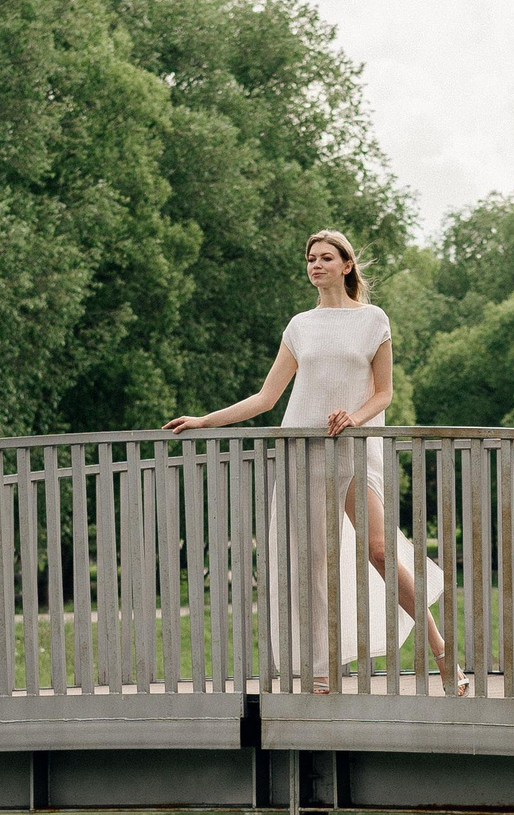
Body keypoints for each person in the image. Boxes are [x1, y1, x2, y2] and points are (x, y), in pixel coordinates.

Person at [165, 230, 464, 695]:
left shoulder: (373, 319)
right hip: (303, 451)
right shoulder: (300, 325)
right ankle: (321, 672)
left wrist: (356, 417)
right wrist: (206, 421)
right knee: (311, 562)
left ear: (347, 265)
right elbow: (267, 398)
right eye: (310, 258)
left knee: (379, 549)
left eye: (326, 257)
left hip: (356, 447)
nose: (316, 264)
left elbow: (384, 392)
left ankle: (442, 655)